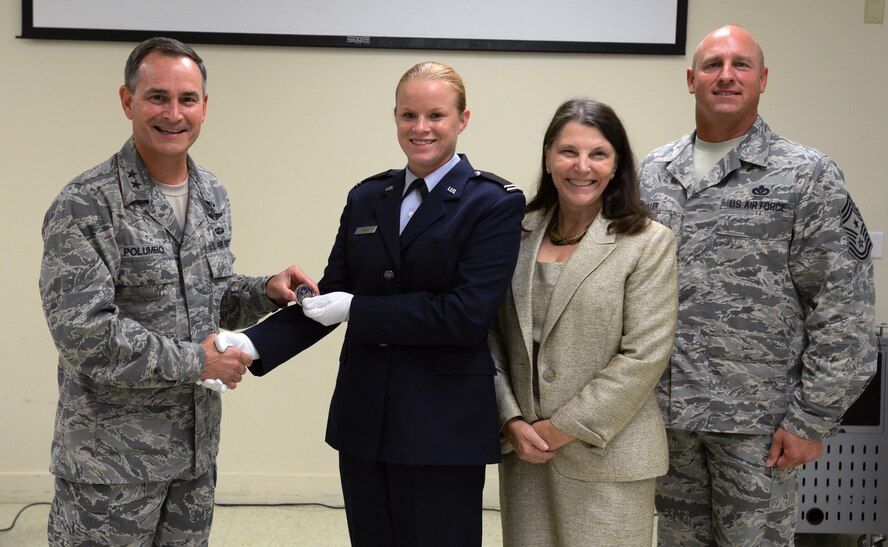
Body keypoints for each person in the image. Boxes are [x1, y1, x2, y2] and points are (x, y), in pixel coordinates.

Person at [220, 61, 525, 546]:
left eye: (436, 116)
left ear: (462, 120)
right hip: (366, 418)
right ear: (395, 117)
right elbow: (328, 298)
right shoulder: (366, 197)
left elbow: (464, 316)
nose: (420, 128)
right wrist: (251, 344)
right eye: (408, 115)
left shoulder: (493, 203)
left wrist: (356, 310)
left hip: (440, 425)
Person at [39, 37, 317, 545]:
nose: (173, 113)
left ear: (204, 107)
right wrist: (198, 362)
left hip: (193, 458)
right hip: (110, 466)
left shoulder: (211, 194)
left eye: (187, 99)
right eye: (156, 97)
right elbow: (83, 332)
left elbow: (210, 299)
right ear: (127, 101)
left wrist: (266, 292)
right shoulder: (86, 204)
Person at [637, 25, 877, 546]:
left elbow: (845, 307)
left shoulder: (806, 175)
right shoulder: (654, 172)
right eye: (713, 65)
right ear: (690, 78)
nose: (726, 75)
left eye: (740, 65)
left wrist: (813, 417)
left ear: (763, 79)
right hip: (666, 419)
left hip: (758, 423)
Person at [487, 98, 678, 546]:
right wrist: (510, 418)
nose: (582, 167)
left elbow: (644, 356)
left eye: (598, 154)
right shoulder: (513, 232)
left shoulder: (648, 242)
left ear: (616, 166)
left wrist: (560, 428)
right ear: (549, 157)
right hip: (526, 454)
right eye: (568, 151)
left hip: (606, 455)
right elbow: (490, 335)